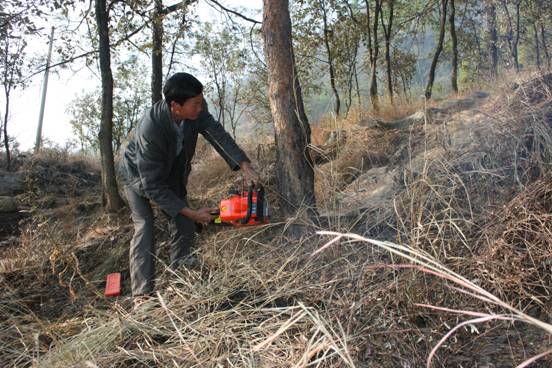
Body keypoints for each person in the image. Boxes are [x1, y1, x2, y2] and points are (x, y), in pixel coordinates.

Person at [120, 72, 260, 298]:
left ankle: (180, 278)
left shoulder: (195, 110)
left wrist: (244, 165)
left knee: (183, 224)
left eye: (201, 102)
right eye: (195, 104)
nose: (200, 108)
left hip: (171, 174)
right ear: (175, 106)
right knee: (145, 224)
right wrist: (194, 214)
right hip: (137, 176)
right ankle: (142, 296)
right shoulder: (151, 128)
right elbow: (152, 185)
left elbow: (217, 134)